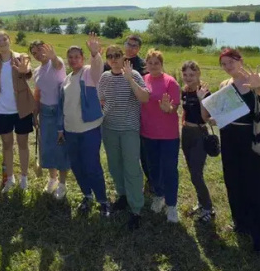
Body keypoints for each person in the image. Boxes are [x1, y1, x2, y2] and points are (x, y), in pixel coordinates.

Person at [217, 48, 260, 262]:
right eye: (224, 64)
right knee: (234, 183)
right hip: (229, 140)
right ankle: (242, 225)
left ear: (240, 61)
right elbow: (223, 114)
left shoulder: (254, 81)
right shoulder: (224, 86)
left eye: (231, 62)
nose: (228, 67)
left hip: (252, 142)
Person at [57, 33, 111, 217]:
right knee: (77, 166)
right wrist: (60, 128)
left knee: (92, 165)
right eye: (70, 57)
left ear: (82, 58)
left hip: (89, 129)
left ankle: (103, 201)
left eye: (77, 56)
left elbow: (98, 68)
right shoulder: (66, 79)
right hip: (70, 131)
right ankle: (87, 196)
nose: (73, 60)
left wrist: (95, 54)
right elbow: (62, 106)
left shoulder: (88, 73)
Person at [98, 44, 150, 230]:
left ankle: (136, 208)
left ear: (124, 58)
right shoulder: (104, 78)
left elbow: (144, 98)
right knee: (114, 165)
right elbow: (101, 100)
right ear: (107, 59)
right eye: (110, 55)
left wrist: (129, 79)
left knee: (131, 167)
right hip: (109, 128)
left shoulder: (134, 75)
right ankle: (123, 196)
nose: (113, 58)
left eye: (117, 55)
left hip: (129, 129)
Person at [0, 30, 34, 192]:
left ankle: (24, 178)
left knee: (23, 143)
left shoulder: (21, 57)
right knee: (7, 144)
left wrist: (24, 71)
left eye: (4, 39)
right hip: (2, 111)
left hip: (21, 110)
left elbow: (28, 73)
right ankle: (10, 178)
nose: (2, 42)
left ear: (9, 40)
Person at [141, 49, 181, 223]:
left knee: (169, 170)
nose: (153, 66)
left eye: (157, 63)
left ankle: (172, 205)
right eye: (150, 63)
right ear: (146, 65)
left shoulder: (170, 82)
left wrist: (168, 109)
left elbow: (174, 107)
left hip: (168, 135)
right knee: (153, 168)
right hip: (148, 133)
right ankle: (159, 195)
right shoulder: (143, 80)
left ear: (162, 64)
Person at [29, 40, 69, 199]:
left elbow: (58, 63)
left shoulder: (56, 63)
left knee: (61, 147)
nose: (38, 54)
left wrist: (53, 57)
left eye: (40, 49)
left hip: (60, 111)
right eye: (34, 53)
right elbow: (38, 92)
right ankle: (52, 178)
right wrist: (35, 112)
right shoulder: (37, 71)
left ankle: (63, 184)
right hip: (45, 112)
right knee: (47, 146)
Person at [179, 60, 215, 222]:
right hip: (186, 133)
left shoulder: (205, 92)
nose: (188, 78)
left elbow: (205, 118)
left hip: (199, 133)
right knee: (192, 171)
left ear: (198, 73)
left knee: (196, 174)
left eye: (192, 75)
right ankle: (201, 203)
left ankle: (208, 208)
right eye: (185, 74)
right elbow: (186, 111)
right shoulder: (184, 91)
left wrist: (201, 99)